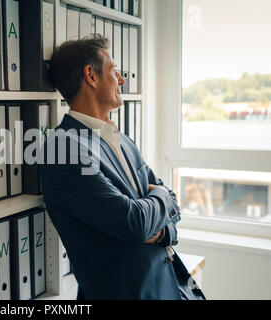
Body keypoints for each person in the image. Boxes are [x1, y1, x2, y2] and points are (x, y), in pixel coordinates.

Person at [39, 35, 206, 300]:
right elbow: (136, 223)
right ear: (91, 76)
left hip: (171, 284)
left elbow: (173, 211)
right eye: (114, 70)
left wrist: (162, 229)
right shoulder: (63, 149)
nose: (122, 79)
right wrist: (161, 197)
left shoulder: (123, 141)